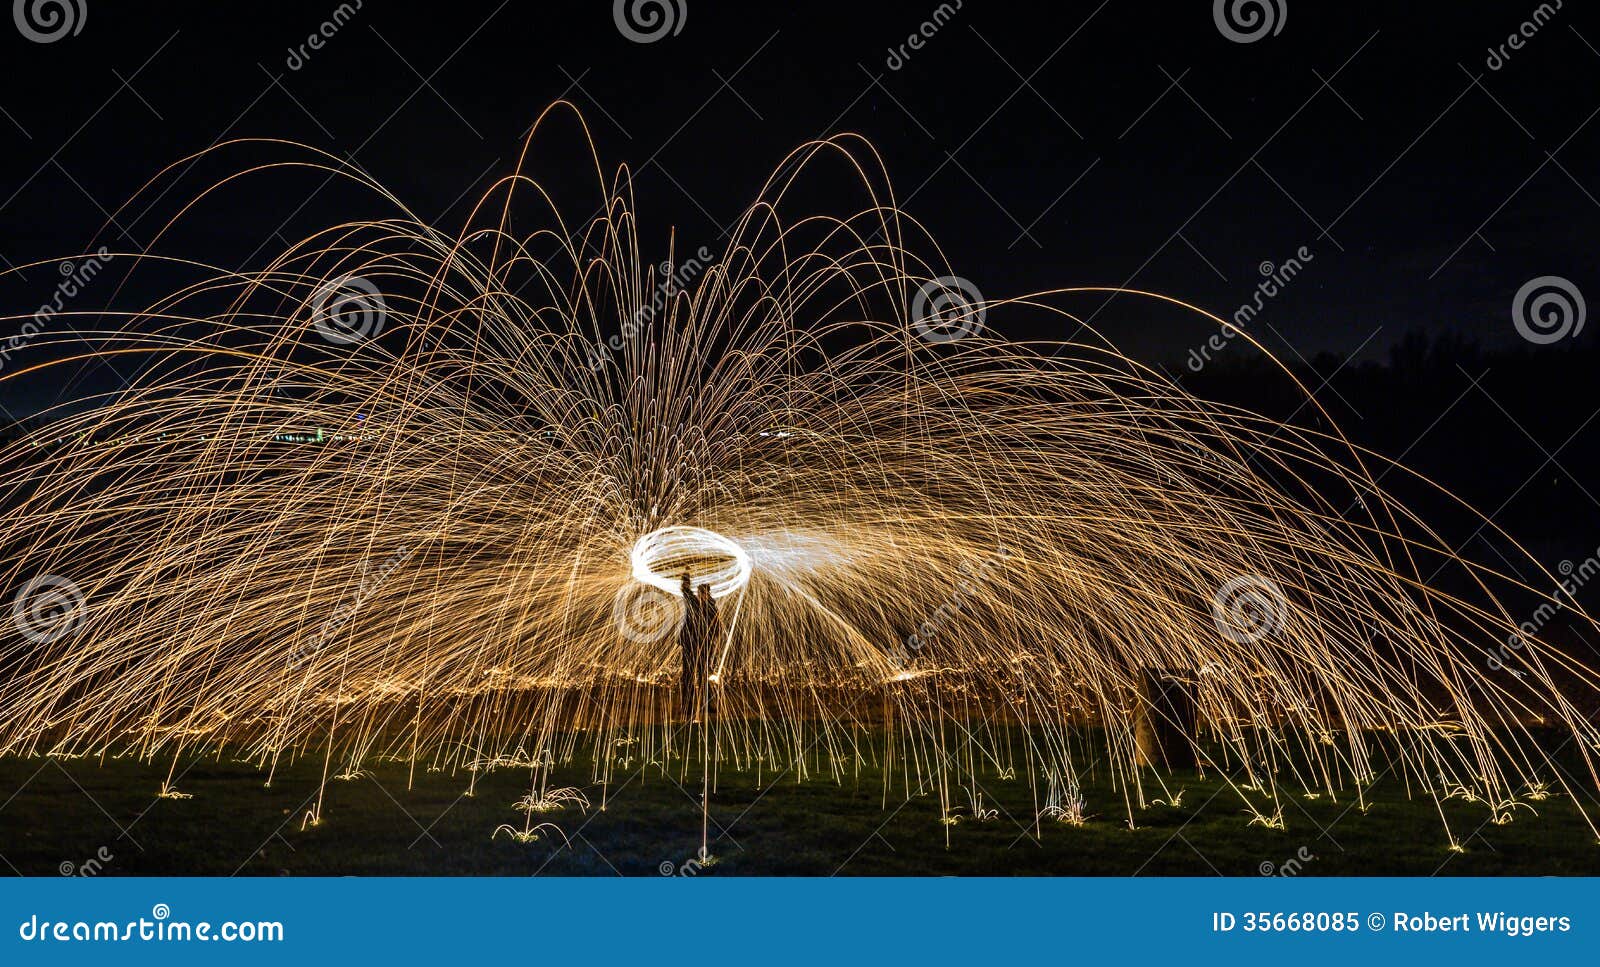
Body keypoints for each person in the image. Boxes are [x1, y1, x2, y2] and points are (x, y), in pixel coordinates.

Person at [678, 573, 702, 722]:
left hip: (692, 642)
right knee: (690, 675)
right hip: (692, 642)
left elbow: (686, 592)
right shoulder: (695, 602)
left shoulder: (695, 602)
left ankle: (689, 705)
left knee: (690, 675)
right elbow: (686, 592)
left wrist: (686, 582)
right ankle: (688, 705)